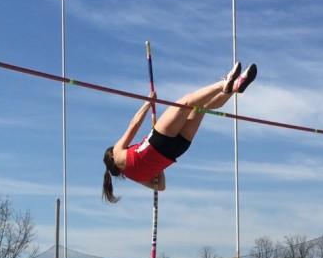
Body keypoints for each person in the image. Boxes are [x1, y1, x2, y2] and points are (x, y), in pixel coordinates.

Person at [101, 62, 258, 202]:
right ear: (112, 157)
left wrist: (156, 167)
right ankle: (224, 83)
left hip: (177, 150)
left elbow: (161, 186)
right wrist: (148, 104)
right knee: (185, 103)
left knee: (202, 108)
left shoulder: (137, 178)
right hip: (157, 141)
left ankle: (235, 87)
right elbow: (133, 125)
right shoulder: (117, 152)